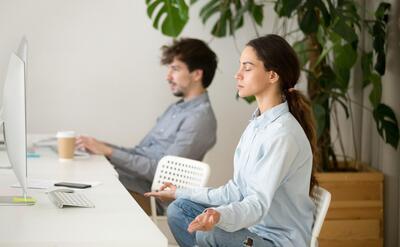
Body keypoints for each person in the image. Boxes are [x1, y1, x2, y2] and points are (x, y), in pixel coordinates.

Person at [145, 34, 319, 247]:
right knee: (179, 209)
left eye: (247, 68)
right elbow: (235, 191)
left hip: (276, 241)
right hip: (252, 230)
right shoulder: (257, 125)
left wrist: (219, 216)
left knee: (211, 233)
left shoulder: (283, 134)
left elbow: (256, 204)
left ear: (272, 75)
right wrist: (178, 192)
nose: (237, 75)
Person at [77, 38, 218, 214]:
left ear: (197, 74)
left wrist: (109, 152)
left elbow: (163, 175)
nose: (168, 77)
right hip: (133, 183)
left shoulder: (199, 119)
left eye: (175, 69)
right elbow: (140, 152)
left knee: (90, 192)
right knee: (81, 176)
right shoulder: (176, 108)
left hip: (151, 198)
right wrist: (99, 146)